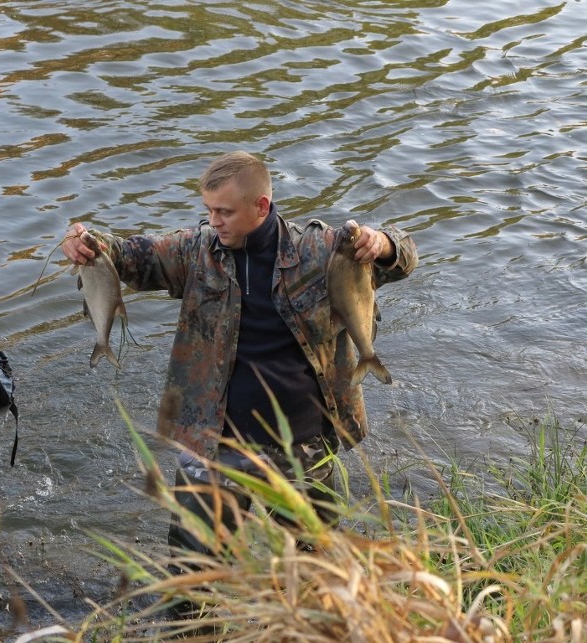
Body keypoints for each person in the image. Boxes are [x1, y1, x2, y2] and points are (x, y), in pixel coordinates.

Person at [62, 151, 418, 598]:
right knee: (192, 578)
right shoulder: (196, 250)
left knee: (311, 575)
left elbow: (404, 256)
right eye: (209, 211)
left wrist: (381, 243)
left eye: (225, 212)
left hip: (303, 444)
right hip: (213, 442)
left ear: (261, 207)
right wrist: (88, 242)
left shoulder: (321, 250)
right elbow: (134, 256)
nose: (215, 222)